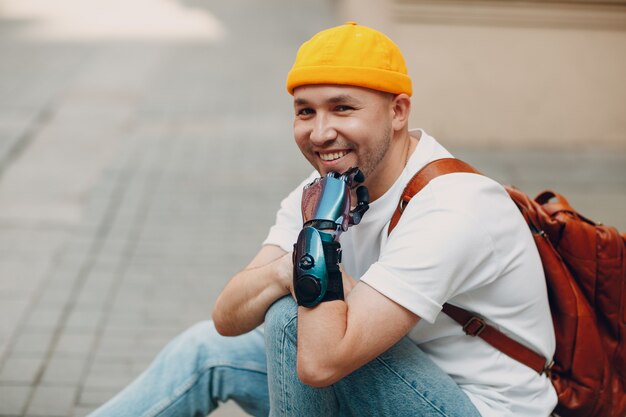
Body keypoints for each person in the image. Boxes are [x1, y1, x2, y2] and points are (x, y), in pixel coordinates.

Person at [89, 22, 557, 417]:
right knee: (208, 351)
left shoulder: (452, 207)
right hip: (385, 375)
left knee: (293, 319)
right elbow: (226, 318)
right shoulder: (326, 189)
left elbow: (319, 363)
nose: (320, 133)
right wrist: (282, 269)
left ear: (397, 112)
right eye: (305, 112)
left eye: (342, 108)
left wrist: (315, 240)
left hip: (480, 406)